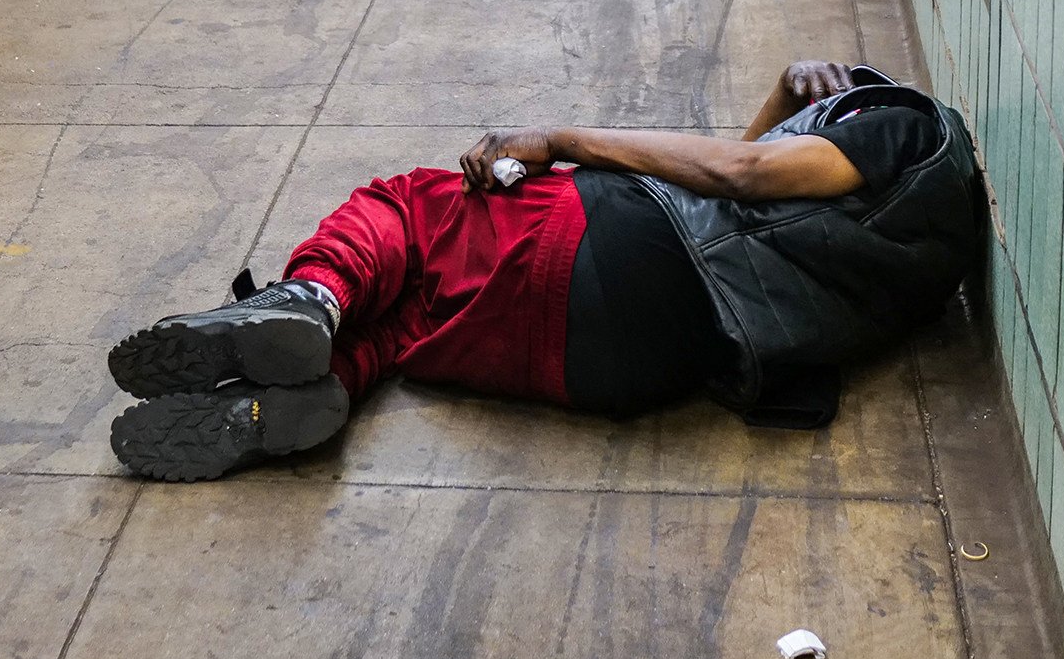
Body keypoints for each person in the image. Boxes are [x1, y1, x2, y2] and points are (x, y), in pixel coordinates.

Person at [105, 58, 982, 482]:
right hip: (625, 365)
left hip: (616, 249)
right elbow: (755, 196)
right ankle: (298, 394)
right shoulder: (920, 261)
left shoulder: (909, 129)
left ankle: (314, 297)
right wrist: (787, 96)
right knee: (414, 322)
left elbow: (739, 176)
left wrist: (559, 138)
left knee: (410, 208)